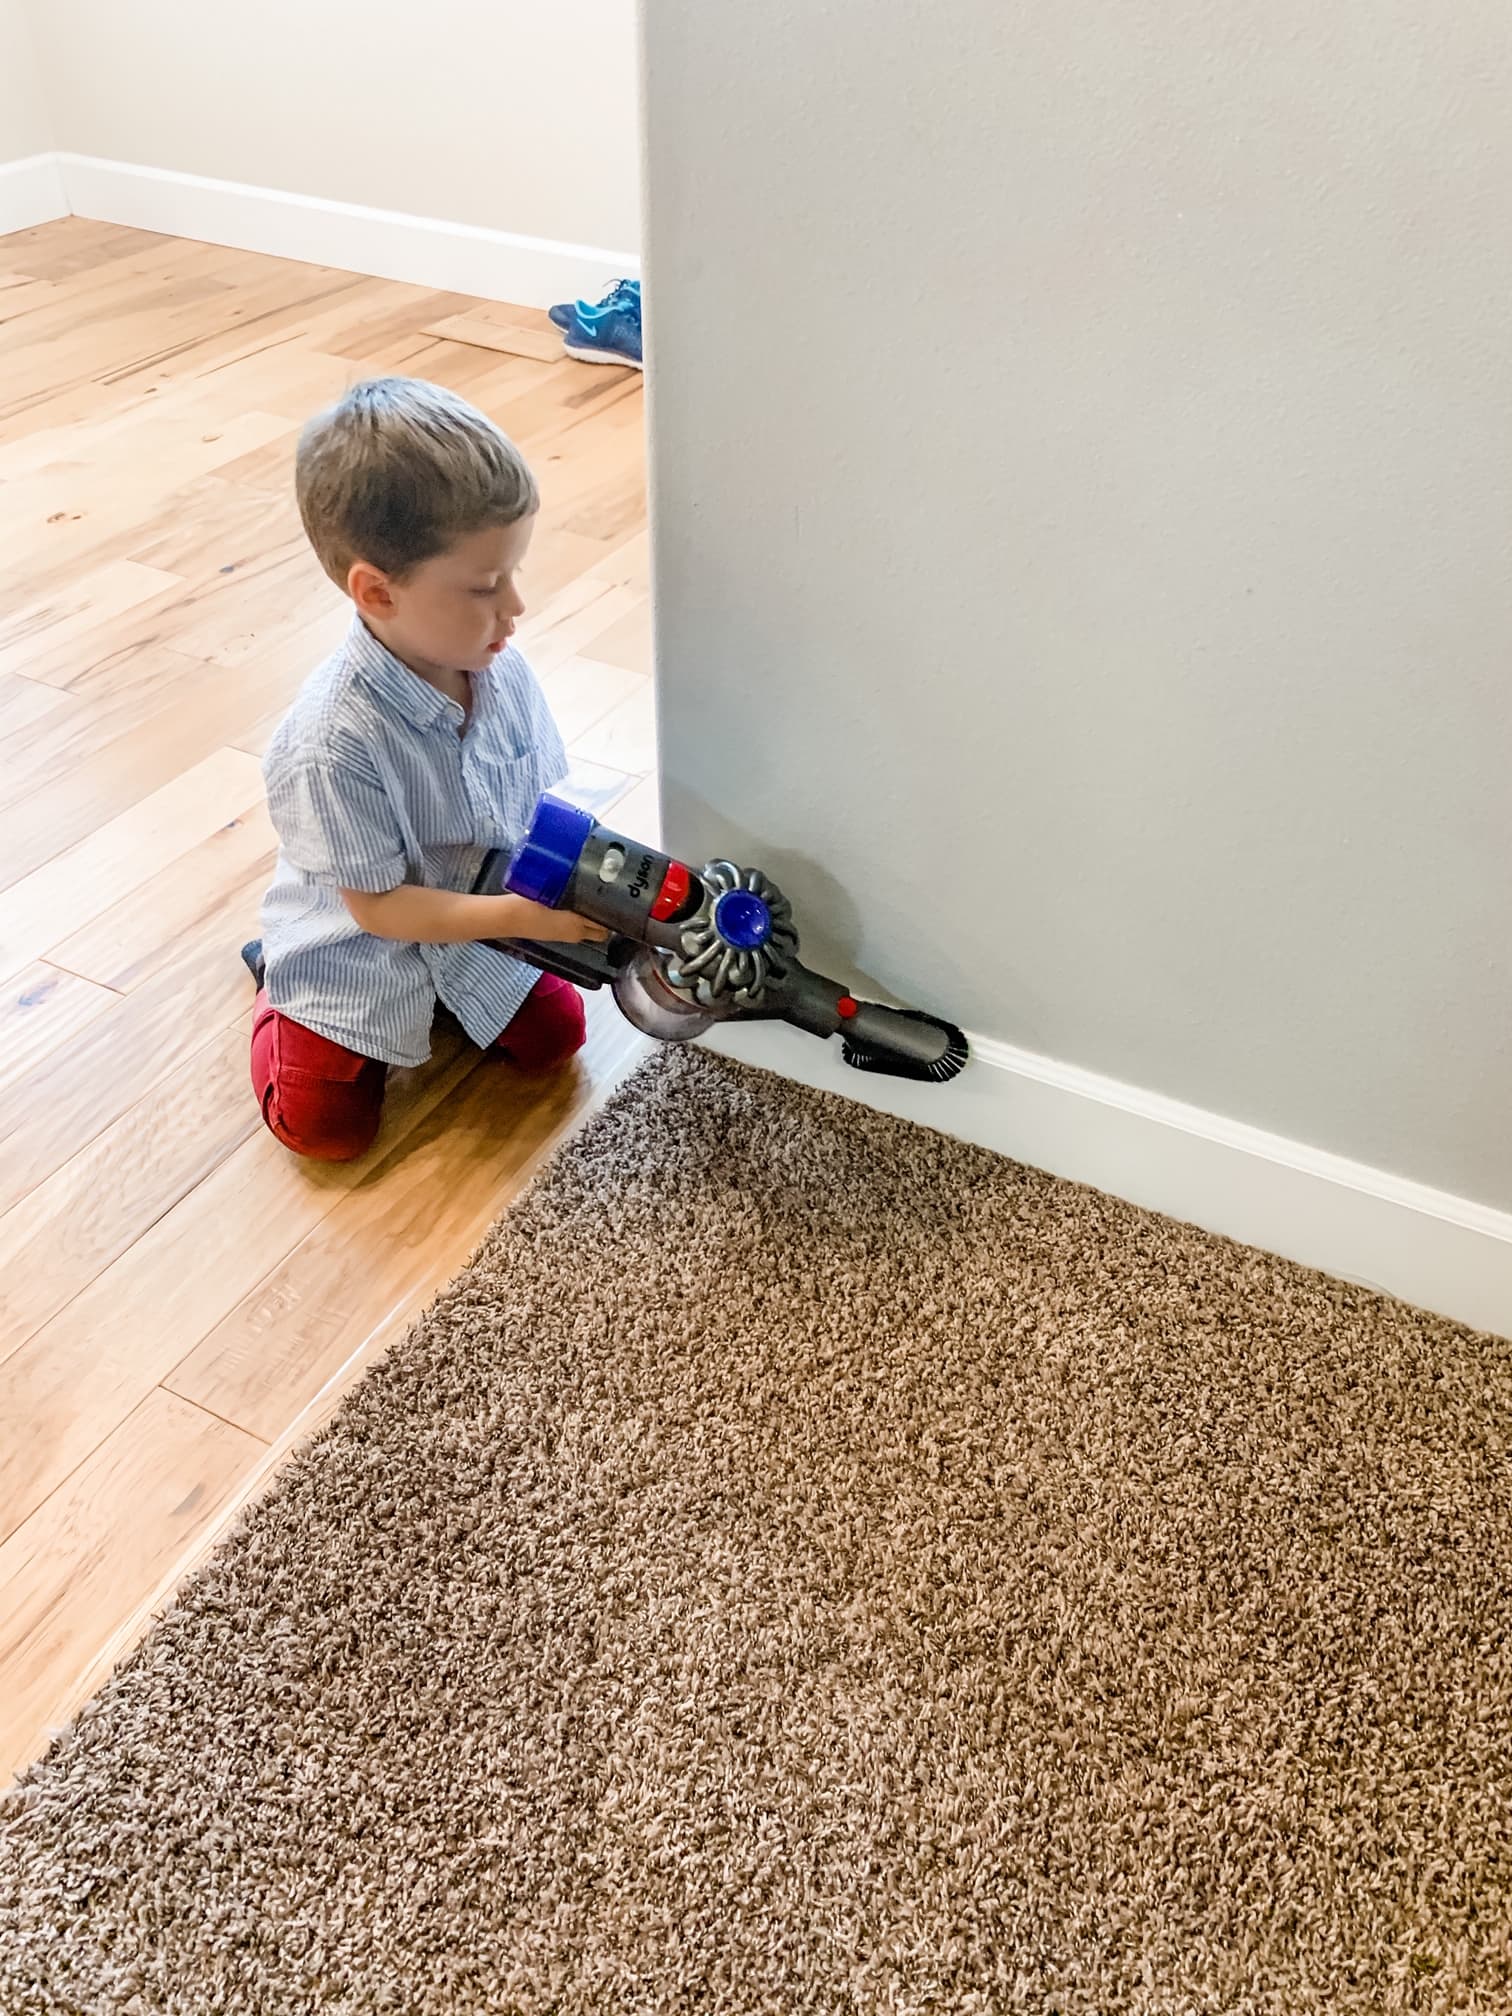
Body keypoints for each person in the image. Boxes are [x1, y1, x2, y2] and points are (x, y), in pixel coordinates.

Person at [243, 376, 606, 1162]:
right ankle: (274, 984)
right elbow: (378, 910)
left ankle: (449, 1000)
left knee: (557, 1038)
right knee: (327, 1132)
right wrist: (519, 920)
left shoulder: (501, 668)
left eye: (512, 573)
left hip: (478, 915)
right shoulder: (329, 742)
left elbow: (539, 809)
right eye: (484, 586)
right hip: (359, 941)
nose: (516, 606)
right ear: (376, 591)